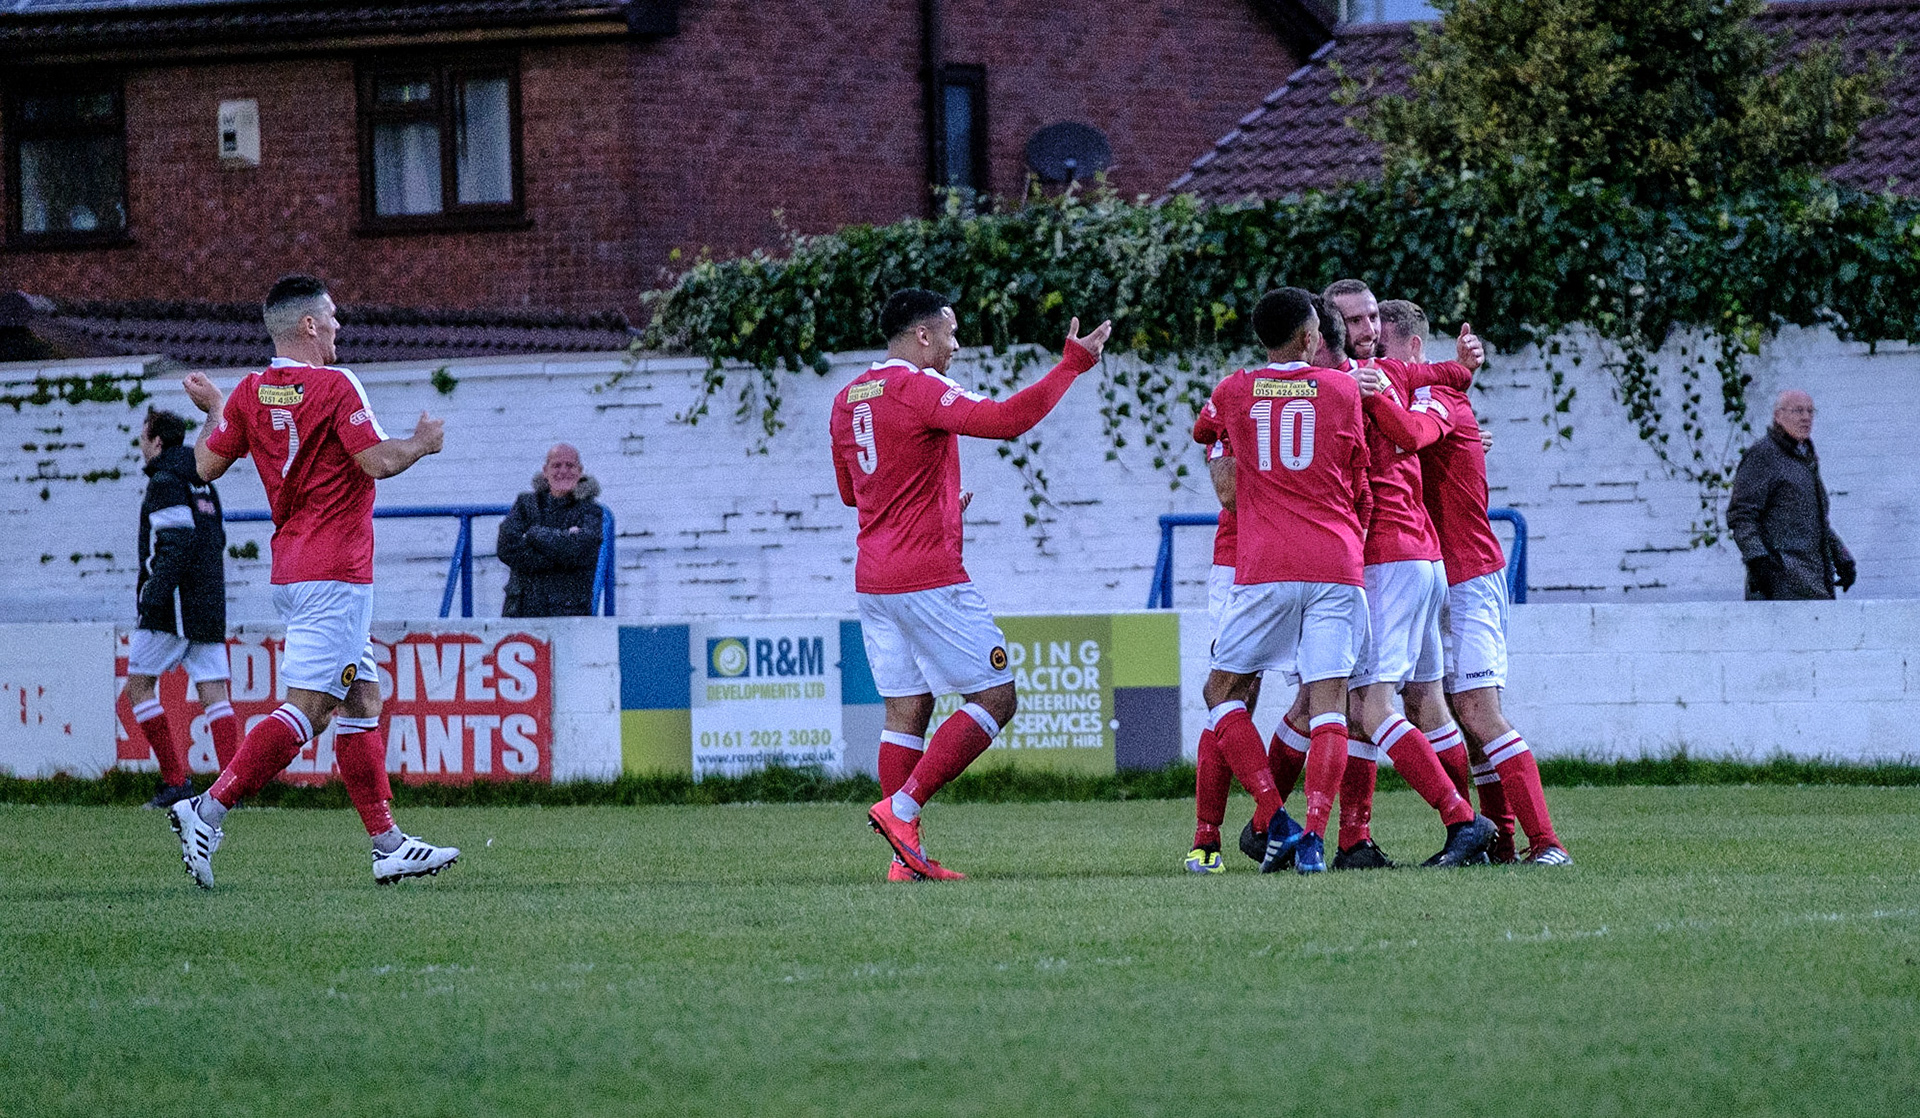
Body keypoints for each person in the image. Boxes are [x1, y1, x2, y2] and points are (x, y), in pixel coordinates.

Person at [168, 273, 458, 889]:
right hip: (335, 574)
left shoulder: (250, 392)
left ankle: (388, 846)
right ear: (307, 325)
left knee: (361, 702)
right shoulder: (334, 384)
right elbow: (377, 460)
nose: (336, 326)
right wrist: (422, 443)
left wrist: (216, 410)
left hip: (295, 569)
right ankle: (207, 810)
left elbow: (205, 465)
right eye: (330, 316)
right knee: (311, 708)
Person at [834, 288, 1111, 881]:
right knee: (996, 696)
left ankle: (904, 861)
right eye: (951, 332)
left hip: (874, 580)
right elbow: (1007, 421)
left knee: (907, 709)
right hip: (927, 576)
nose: (957, 345)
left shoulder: (847, 397)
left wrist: (934, 506)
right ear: (923, 335)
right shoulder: (918, 388)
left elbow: (855, 493)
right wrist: (1071, 365)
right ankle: (902, 809)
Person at [1382, 300, 1570, 866]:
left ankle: (1547, 843)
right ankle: (1495, 842)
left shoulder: (1436, 396)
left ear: (1414, 348)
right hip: (1432, 571)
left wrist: (1372, 395)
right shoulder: (1419, 394)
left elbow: (1415, 432)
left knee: (1479, 710)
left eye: (1383, 346)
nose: (1374, 359)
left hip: (1470, 573)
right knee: (1449, 712)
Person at [1197, 288, 1371, 874]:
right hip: (1336, 562)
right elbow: (1357, 475)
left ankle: (1275, 817)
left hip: (1266, 564)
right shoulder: (1343, 390)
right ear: (1310, 337)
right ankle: (1315, 840)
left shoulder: (1233, 390)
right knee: (1329, 705)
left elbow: (1209, 441)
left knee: (1221, 693)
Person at [126, 407, 241, 810]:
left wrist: (152, 597)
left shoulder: (165, 481)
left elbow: (175, 543)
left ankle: (176, 782)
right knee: (214, 692)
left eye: (144, 437)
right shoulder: (203, 479)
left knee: (138, 686)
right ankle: (233, 787)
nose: (142, 445)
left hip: (173, 607)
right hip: (208, 603)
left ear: (157, 442)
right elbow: (217, 539)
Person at [1727, 389, 1855, 600]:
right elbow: (1741, 515)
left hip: (1814, 584)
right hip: (1779, 587)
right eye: (1798, 411)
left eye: (1810, 411)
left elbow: (1814, 521)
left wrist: (1842, 557)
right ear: (1778, 416)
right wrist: (1758, 560)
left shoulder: (1804, 458)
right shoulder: (1763, 455)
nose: (1806, 417)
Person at [498, 443, 605, 617]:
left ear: (580, 471)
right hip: (521, 609)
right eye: (556, 465)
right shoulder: (525, 504)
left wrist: (533, 534)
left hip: (568, 613)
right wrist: (560, 555)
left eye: (570, 465)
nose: (563, 471)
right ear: (545, 471)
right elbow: (506, 548)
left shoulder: (591, 511)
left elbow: (578, 550)